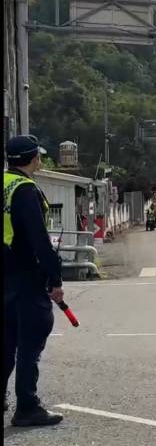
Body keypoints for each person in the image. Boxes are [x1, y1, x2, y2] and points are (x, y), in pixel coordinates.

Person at [3, 135, 65, 426]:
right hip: (25, 275)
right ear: (33, 159)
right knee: (30, 342)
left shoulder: (4, 183)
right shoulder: (25, 190)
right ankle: (27, 407)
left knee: (6, 341)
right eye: (38, 155)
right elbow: (39, 240)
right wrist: (55, 278)